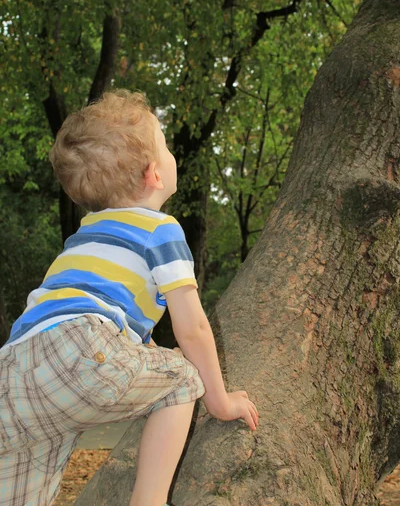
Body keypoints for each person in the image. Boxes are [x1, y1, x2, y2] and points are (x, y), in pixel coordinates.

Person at [0, 89, 258, 506]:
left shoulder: (84, 236)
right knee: (182, 376)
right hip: (82, 348)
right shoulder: (160, 229)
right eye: (168, 146)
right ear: (155, 173)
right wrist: (219, 398)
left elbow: (119, 332)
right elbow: (191, 328)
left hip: (13, 368)